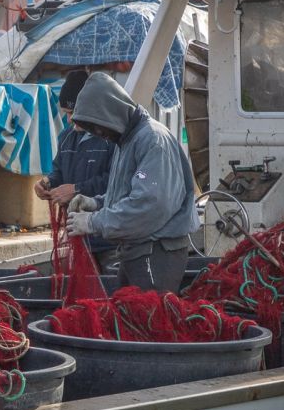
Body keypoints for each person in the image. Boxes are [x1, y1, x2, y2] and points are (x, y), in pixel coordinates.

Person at [64, 72, 198, 292]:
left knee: (147, 321)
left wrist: (93, 222)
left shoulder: (152, 140)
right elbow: (129, 193)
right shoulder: (127, 140)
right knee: (129, 318)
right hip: (137, 250)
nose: (99, 133)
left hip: (157, 253)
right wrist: (96, 203)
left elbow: (148, 205)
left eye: (97, 126)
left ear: (110, 113)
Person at [34, 70, 116, 268]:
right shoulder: (66, 137)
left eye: (73, 113)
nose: (69, 120)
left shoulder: (111, 139)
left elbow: (115, 181)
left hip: (109, 240)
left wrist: (76, 189)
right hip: (77, 235)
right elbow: (59, 170)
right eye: (66, 114)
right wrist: (48, 182)